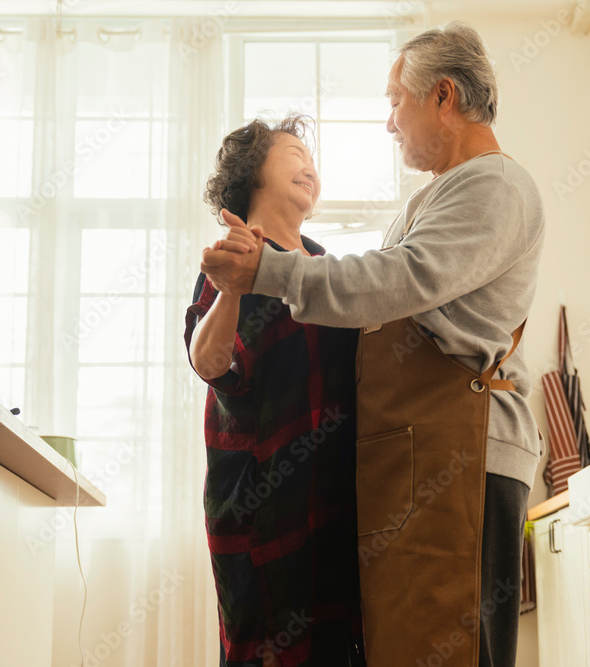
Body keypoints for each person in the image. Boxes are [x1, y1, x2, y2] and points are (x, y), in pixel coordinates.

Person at [200, 22, 544, 667]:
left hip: (465, 448)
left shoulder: (491, 185)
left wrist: (267, 272)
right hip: (430, 451)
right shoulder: (443, 192)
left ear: (443, 96)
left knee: (458, 646)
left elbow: (401, 280)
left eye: (394, 102)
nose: (390, 124)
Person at [184, 114, 366, 667]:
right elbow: (209, 362)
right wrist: (231, 288)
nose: (308, 166)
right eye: (292, 152)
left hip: (334, 504)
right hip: (261, 508)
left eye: (311, 159)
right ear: (251, 173)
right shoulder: (231, 259)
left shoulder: (326, 268)